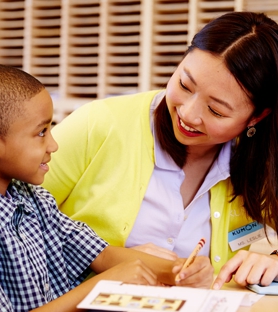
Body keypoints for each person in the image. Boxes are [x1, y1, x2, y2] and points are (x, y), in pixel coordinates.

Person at [42, 11, 278, 290]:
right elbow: (3, 222)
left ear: (256, 118)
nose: (188, 114)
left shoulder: (262, 161)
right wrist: (105, 259)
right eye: (184, 84)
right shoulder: (99, 124)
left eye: (215, 110)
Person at [0, 62, 213, 312]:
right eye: (41, 133)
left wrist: (180, 271)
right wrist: (101, 287)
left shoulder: (33, 198)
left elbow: (100, 253)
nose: (53, 145)